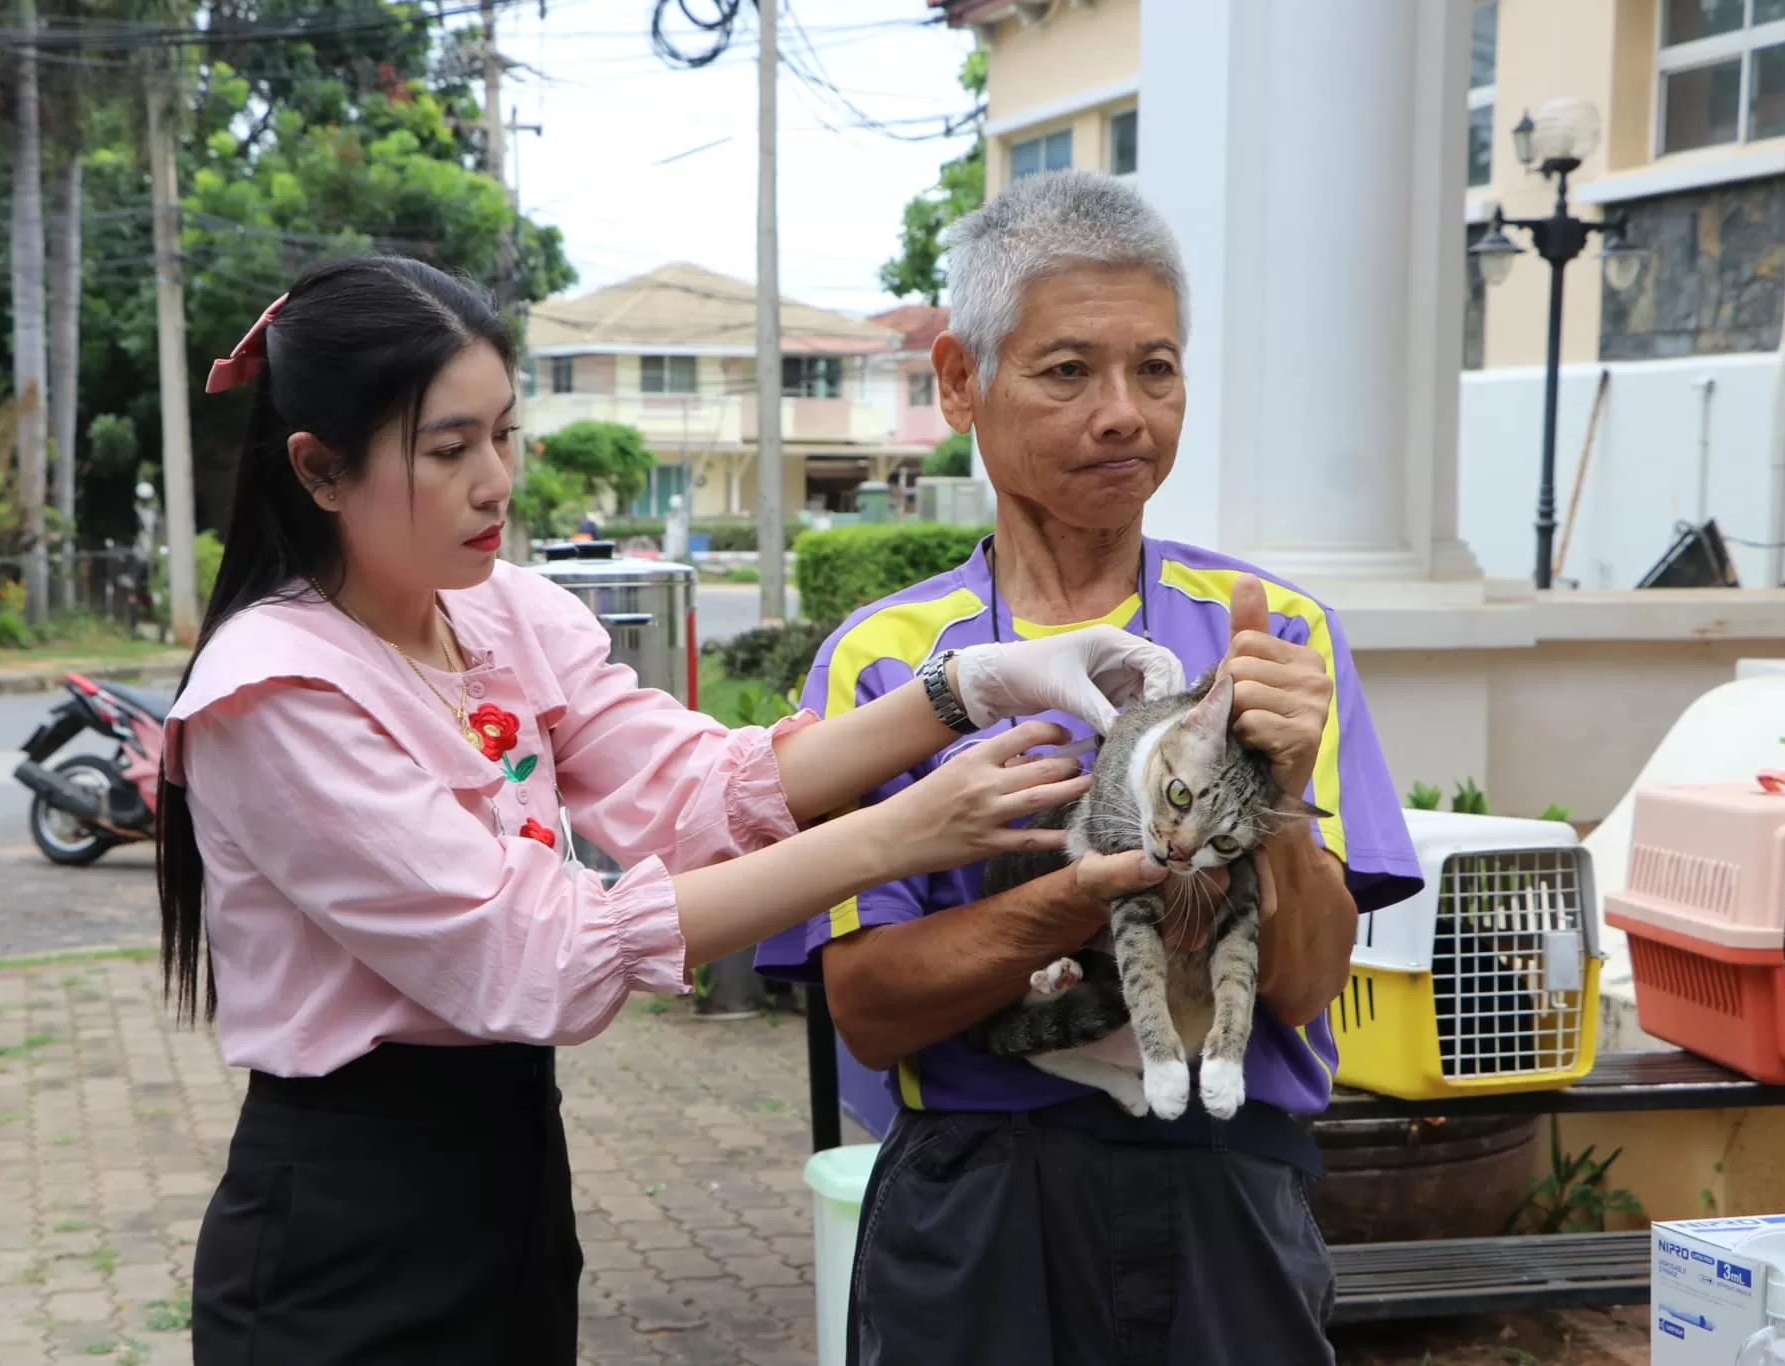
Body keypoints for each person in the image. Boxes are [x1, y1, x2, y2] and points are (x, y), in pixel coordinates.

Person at [155, 255, 1188, 1366]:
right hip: (344, 1213)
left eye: (504, 434)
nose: (494, 481)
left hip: (506, 1175)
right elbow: (531, 954)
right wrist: (895, 834)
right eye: (447, 449)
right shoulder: (275, 691)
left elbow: (693, 784)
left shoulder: (494, 614)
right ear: (318, 468)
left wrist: (969, 683)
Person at [756, 170, 1425, 1364]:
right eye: (1067, 371)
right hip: (976, 1200)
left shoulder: (1269, 635)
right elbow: (865, 1011)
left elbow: (1308, 987)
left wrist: (1270, 794)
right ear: (961, 380)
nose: (1122, 413)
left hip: (1225, 1187)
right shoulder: (891, 667)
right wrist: (1072, 897)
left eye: (1154, 369)